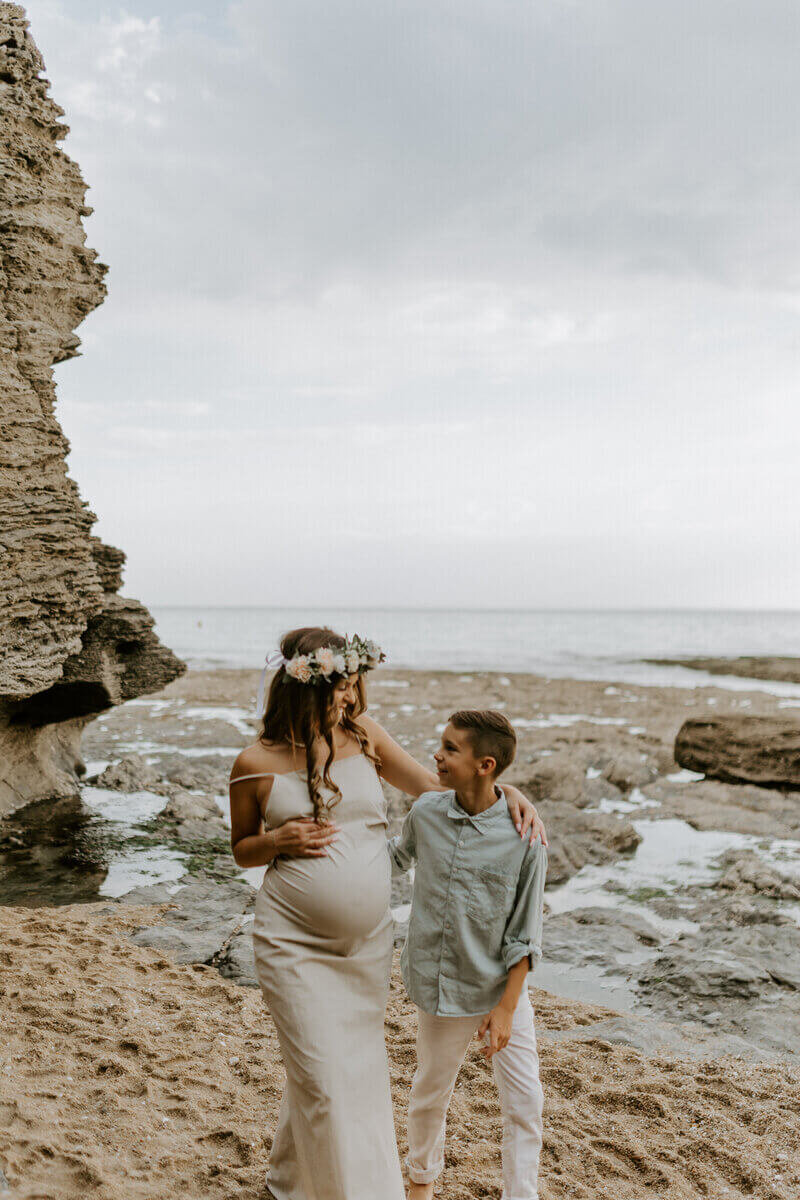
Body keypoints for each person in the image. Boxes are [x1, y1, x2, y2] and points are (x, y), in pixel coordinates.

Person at [229, 627, 546, 1200]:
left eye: (355, 687)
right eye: (341, 688)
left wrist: (510, 792)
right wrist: (278, 841)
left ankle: (284, 1183)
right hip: (292, 944)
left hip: (366, 949)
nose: (350, 699)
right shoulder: (253, 763)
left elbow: (438, 789)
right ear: (305, 688)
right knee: (326, 1083)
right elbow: (242, 849)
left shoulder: (365, 737)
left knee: (334, 1073)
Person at [388, 709, 547, 1200]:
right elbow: (393, 860)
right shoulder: (426, 814)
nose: (436, 754)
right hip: (440, 983)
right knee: (430, 1093)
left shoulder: (525, 838)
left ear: (486, 764)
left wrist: (504, 1008)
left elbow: (526, 933)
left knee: (525, 1102)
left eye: (451, 748)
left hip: (502, 988)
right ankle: (420, 1185)